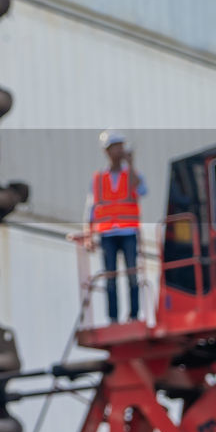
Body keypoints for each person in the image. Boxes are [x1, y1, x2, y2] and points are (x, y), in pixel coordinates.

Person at [85, 129, 145, 322]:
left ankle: (134, 315)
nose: (119, 151)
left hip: (128, 232)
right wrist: (89, 235)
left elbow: (142, 189)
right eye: (115, 147)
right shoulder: (99, 179)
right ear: (107, 151)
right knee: (110, 278)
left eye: (121, 147)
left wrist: (132, 164)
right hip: (107, 234)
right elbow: (91, 208)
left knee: (132, 275)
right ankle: (113, 317)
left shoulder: (132, 175)